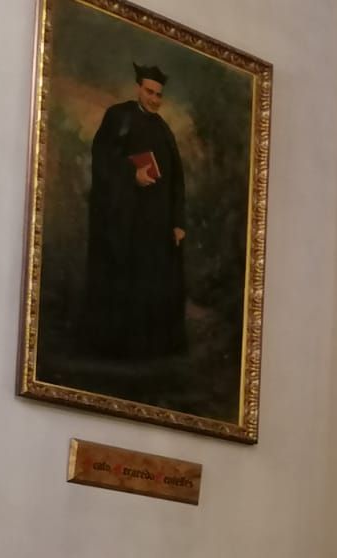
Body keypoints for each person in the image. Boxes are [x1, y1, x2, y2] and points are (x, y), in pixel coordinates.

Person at [85, 63, 186, 359]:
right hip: (124, 219)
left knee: (153, 282)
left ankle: (151, 351)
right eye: (149, 92)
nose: (155, 99)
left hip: (157, 224)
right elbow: (101, 159)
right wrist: (132, 176)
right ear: (138, 89)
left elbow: (177, 179)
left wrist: (178, 222)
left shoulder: (163, 129)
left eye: (159, 94)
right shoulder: (119, 116)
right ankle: (119, 350)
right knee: (124, 279)